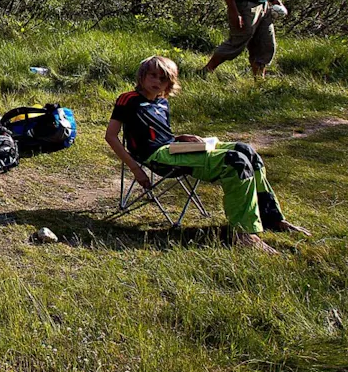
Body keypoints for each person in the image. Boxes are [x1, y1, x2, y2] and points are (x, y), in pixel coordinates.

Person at [106, 55, 309, 252]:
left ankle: (271, 217)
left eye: (163, 79)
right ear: (142, 76)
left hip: (174, 148)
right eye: (152, 76)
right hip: (156, 156)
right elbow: (111, 136)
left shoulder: (162, 103)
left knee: (246, 150)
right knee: (235, 162)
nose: (157, 82)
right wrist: (136, 169)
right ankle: (243, 234)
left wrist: (180, 137)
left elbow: (159, 134)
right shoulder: (128, 100)